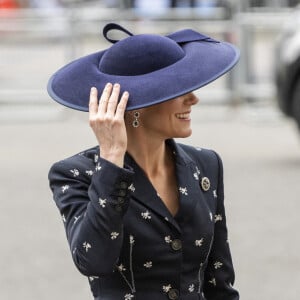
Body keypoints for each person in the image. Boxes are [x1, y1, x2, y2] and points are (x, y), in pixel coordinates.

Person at [47, 22, 240, 300]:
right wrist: (111, 158)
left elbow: (219, 283)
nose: (193, 99)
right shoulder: (77, 173)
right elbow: (93, 260)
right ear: (139, 106)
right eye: (178, 89)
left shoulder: (206, 165)